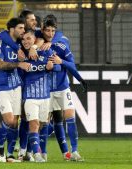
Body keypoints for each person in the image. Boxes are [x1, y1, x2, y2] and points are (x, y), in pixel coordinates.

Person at [42, 17, 85, 162]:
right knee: (44, 123)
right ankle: (40, 151)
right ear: (43, 30)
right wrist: (56, 66)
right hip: (45, 89)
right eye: (47, 30)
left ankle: (74, 151)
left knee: (70, 115)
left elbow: (71, 64)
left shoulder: (61, 44)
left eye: (53, 30)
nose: (50, 33)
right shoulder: (38, 44)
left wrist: (61, 63)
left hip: (62, 87)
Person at [0, 17, 31, 163]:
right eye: (20, 28)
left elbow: (33, 39)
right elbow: (0, 65)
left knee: (15, 123)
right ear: (11, 29)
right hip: (2, 87)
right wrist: (18, 64)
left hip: (16, 87)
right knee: (8, 120)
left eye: (23, 28)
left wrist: (31, 47)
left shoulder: (19, 44)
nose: (23, 31)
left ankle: (10, 155)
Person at [20, 30, 61, 162]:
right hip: (30, 96)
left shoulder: (46, 52)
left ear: (34, 41)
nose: (25, 41)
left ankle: (34, 151)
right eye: (23, 39)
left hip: (45, 96)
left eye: (28, 39)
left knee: (44, 125)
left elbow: (58, 67)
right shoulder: (21, 55)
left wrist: (52, 67)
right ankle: (36, 154)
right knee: (34, 124)